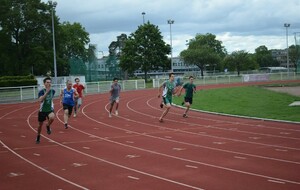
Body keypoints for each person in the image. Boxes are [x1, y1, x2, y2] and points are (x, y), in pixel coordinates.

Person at [36, 77, 55, 144]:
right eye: (47, 82)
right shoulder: (41, 91)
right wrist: (46, 92)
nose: (49, 83)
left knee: (52, 117)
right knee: (40, 125)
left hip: (49, 109)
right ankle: (38, 136)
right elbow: (40, 100)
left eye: (50, 82)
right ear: (44, 83)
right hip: (42, 111)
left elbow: (51, 98)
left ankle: (47, 125)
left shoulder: (53, 91)